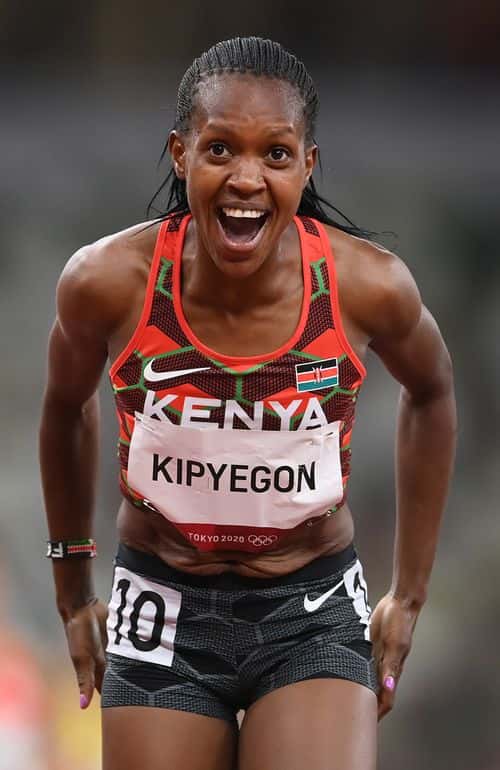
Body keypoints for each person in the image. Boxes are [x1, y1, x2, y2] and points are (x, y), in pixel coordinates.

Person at [39, 37, 456, 770]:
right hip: (161, 606)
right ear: (180, 153)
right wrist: (73, 588)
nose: (246, 179)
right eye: (221, 149)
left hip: (312, 611)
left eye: (276, 154)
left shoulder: (368, 286)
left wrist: (410, 593)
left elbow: (432, 391)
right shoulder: (108, 283)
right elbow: (65, 406)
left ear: (308, 165)